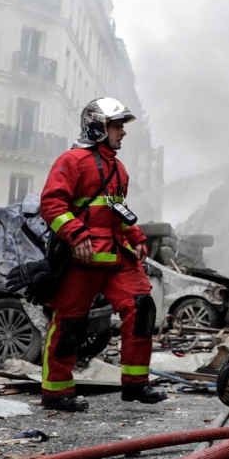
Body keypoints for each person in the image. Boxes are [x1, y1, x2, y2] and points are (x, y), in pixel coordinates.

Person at [37, 97, 165, 412]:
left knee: (142, 307)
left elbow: (115, 212)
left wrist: (135, 235)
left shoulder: (118, 169)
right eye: (117, 126)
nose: (123, 132)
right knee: (69, 323)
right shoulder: (72, 160)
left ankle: (136, 384)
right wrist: (75, 235)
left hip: (116, 256)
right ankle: (56, 391)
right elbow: (51, 204)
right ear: (98, 127)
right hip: (82, 258)